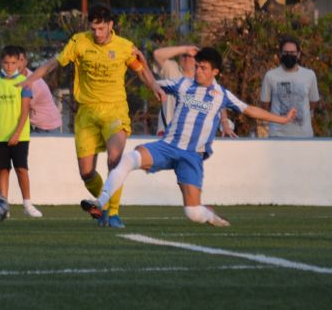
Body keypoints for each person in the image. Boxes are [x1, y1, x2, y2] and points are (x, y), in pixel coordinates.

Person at [81, 47, 296, 227]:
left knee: (193, 213)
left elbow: (249, 110)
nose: (198, 71)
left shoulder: (222, 95)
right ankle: (100, 202)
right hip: (167, 146)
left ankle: (211, 216)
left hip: (191, 156)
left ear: (215, 72)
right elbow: (153, 83)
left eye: (203, 68)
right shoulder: (183, 84)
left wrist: (282, 119)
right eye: (197, 66)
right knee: (129, 158)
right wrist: (143, 64)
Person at [19, 5, 166, 228]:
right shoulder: (79, 42)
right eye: (93, 28)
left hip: (114, 110)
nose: (97, 33)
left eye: (101, 28)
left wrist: (154, 86)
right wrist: (31, 79)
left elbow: (141, 70)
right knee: (86, 173)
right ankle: (103, 205)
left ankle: (114, 214)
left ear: (110, 25)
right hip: (86, 112)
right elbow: (53, 64)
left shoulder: (125, 47)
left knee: (115, 159)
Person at [0, 45, 42, 218]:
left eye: (13, 63)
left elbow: (25, 111)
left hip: (19, 136)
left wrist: (17, 133)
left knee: (21, 169)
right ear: (1, 63)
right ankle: (3, 206)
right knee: (3, 170)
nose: (9, 66)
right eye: (6, 63)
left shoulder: (25, 82)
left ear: (19, 63)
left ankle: (27, 204)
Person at [152, 44, 235, 137]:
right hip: (168, 133)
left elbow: (220, 100)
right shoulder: (172, 69)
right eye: (184, 55)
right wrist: (185, 49)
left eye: (190, 56)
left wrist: (225, 123)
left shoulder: (206, 77)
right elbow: (157, 54)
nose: (187, 59)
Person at [259, 37, 320, 138]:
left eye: (292, 52)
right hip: (277, 136)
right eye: (286, 52)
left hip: (304, 136)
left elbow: (313, 102)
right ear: (280, 54)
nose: (289, 55)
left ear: (298, 54)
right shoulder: (270, 76)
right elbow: (265, 105)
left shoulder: (309, 75)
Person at [17, 46, 62, 133]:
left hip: (47, 126)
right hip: (34, 125)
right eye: (16, 60)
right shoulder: (16, 79)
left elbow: (22, 108)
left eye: (21, 60)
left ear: (26, 62)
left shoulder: (33, 82)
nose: (19, 64)